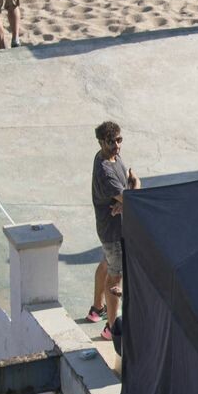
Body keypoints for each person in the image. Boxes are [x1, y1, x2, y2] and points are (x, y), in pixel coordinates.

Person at [88, 120, 140, 338]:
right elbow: (133, 197)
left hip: (111, 229)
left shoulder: (111, 157)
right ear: (101, 142)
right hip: (113, 233)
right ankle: (111, 328)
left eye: (119, 140)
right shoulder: (105, 172)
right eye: (111, 142)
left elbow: (128, 185)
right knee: (115, 278)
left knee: (106, 264)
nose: (117, 146)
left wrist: (125, 199)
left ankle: (96, 309)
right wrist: (134, 187)